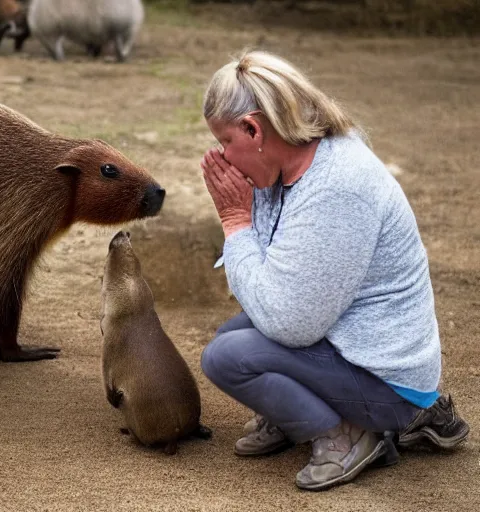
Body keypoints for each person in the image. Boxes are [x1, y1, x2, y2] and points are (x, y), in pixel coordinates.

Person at [199, 50, 469, 491]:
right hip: (347, 340)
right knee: (232, 334)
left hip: (388, 379)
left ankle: (349, 435)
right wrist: (246, 213)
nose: (223, 156)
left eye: (227, 141)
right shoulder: (283, 170)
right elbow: (273, 281)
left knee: (227, 358)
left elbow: (290, 323)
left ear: (254, 128)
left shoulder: (339, 187)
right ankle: (298, 417)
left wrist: (235, 222)